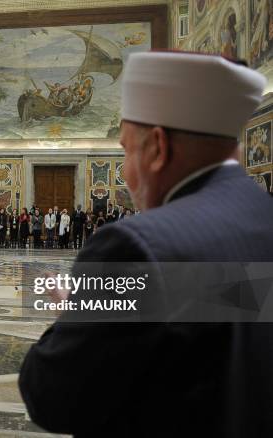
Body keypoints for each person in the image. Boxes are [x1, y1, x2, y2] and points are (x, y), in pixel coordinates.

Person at [19, 51, 273, 436]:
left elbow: (51, 398)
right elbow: (226, 304)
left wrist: (79, 312)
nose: (126, 172)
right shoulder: (261, 216)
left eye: (126, 149)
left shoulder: (134, 247)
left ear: (157, 147)